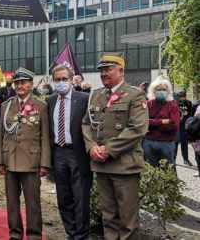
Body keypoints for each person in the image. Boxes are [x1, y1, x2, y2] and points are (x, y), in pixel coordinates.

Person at [82, 53, 149, 239]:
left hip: (125, 166)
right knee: (108, 217)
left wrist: (108, 149)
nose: (103, 73)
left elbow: (137, 129)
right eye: (101, 70)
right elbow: (86, 123)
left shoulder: (135, 95)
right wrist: (91, 147)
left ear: (121, 71)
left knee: (128, 220)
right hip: (101, 165)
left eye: (108, 69)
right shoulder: (96, 95)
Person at [0, 67, 50, 240]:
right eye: (17, 83)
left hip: (31, 161)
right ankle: (15, 233)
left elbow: (45, 137)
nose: (19, 86)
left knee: (33, 203)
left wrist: (44, 163)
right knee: (12, 202)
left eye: (23, 82)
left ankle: (34, 235)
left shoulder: (41, 106)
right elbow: (0, 135)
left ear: (31, 84)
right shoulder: (6, 106)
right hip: (9, 160)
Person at [47, 65, 92, 240]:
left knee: (80, 197)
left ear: (72, 79)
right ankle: (71, 232)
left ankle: (81, 235)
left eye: (64, 79)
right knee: (63, 196)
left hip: (78, 153)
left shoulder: (84, 99)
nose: (61, 83)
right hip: (58, 153)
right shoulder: (49, 100)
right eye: (57, 79)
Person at [142, 76, 179, 167]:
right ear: (154, 91)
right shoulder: (148, 104)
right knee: (149, 172)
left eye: (164, 89)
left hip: (166, 143)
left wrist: (152, 124)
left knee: (168, 171)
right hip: (148, 142)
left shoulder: (173, 106)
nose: (161, 91)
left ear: (168, 91)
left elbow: (174, 126)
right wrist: (162, 121)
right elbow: (144, 122)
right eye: (159, 89)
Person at [175, 91, 193, 166]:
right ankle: (173, 159)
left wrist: (187, 113)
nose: (182, 98)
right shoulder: (175, 103)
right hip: (176, 126)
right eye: (180, 97)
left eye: (183, 97)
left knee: (184, 143)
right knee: (175, 143)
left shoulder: (188, 103)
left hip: (184, 126)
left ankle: (185, 159)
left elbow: (191, 114)